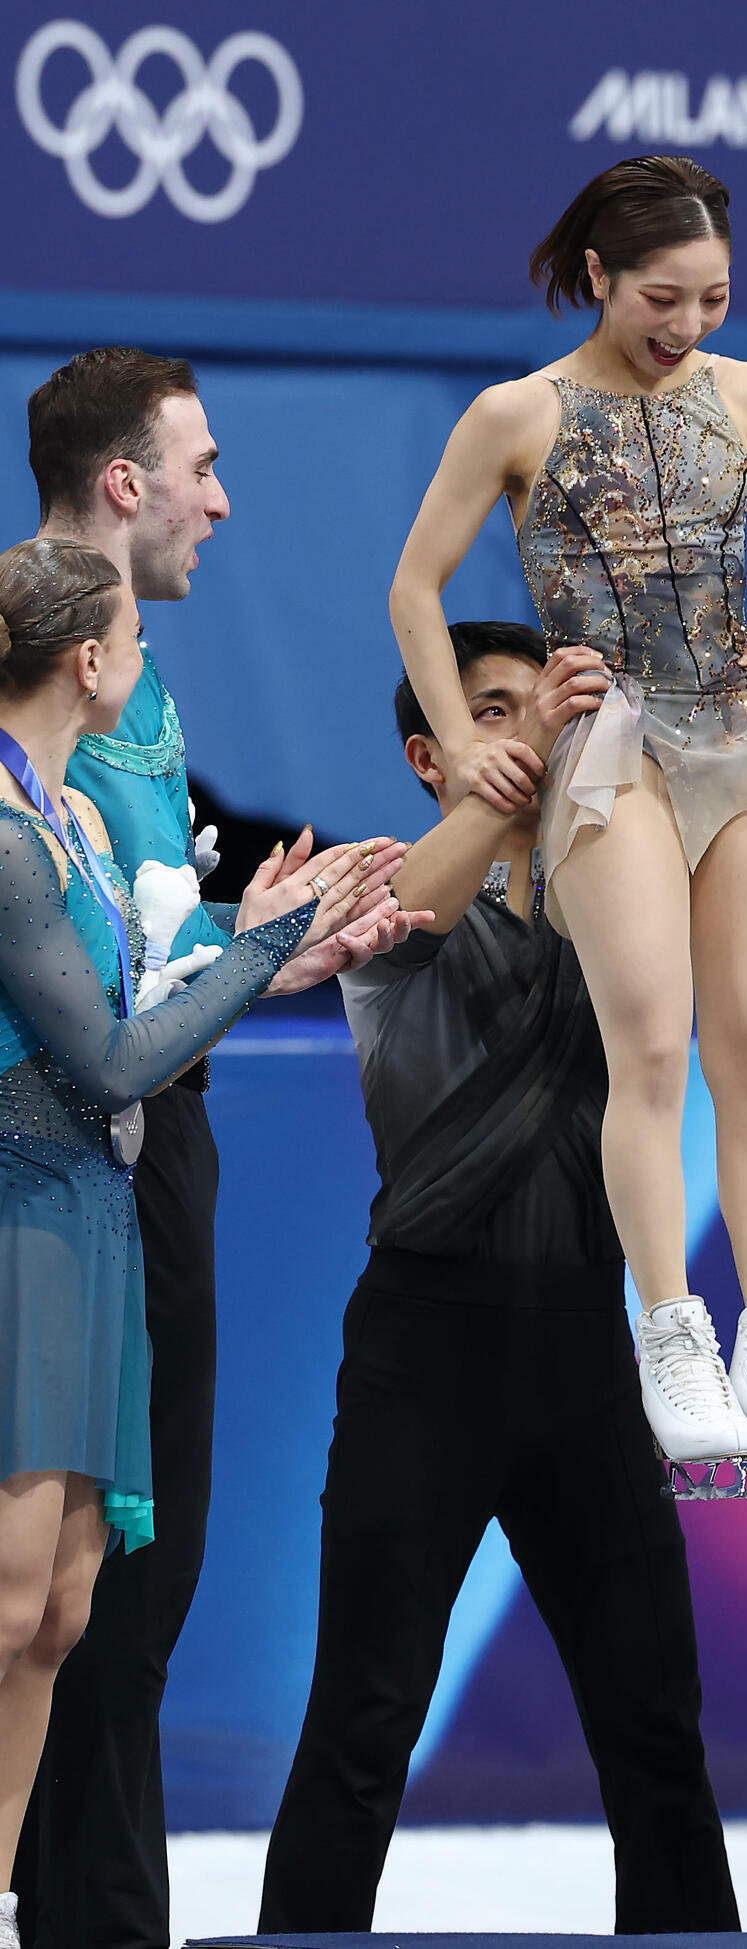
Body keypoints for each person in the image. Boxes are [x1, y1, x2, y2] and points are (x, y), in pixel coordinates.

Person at [258, 619, 747, 1937]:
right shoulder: (382, 890)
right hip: (427, 1346)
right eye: (495, 709)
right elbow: (417, 910)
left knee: (657, 1732)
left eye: (554, 702)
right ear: (429, 751)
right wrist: (519, 758)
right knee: (364, 1714)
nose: (543, 725)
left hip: (593, 1343)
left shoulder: (624, 890)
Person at [12, 348, 417, 1949]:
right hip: (68, 1166)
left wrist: (278, 930)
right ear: (125, 483)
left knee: (90, 1602)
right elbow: (104, 994)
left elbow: (160, 908)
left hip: (137, 1153)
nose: (225, 498)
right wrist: (260, 953)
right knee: (73, 1602)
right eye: (204, 465)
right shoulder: (50, 730)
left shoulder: (136, 684)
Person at [391, 155, 747, 1472]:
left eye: (713, 297)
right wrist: (478, 747)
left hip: (738, 737)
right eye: (663, 296)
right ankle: (670, 1323)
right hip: (611, 748)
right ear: (596, 275)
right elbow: (415, 588)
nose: (690, 325)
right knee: (652, 1044)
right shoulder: (516, 416)